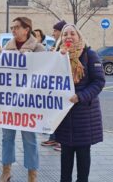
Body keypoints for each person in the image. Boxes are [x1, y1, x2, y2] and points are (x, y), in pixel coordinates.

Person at [55, 23, 105, 182]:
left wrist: (80, 96)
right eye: (65, 34)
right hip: (64, 115)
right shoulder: (56, 56)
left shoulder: (90, 54)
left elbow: (98, 82)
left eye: (72, 33)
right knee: (65, 156)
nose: (68, 36)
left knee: (83, 157)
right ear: (61, 38)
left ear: (79, 36)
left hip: (84, 115)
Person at [0, 17, 44, 182]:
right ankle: (6, 171)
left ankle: (32, 175)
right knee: (6, 138)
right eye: (12, 27)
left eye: (17, 27)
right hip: (9, 103)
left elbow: (45, 72)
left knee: (29, 140)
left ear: (27, 29)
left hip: (28, 104)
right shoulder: (7, 48)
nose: (14, 30)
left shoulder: (38, 48)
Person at [41, 19, 67, 152]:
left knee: (60, 115)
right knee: (54, 114)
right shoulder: (57, 44)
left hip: (61, 86)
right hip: (55, 85)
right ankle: (54, 137)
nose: (53, 33)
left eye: (56, 30)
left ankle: (61, 141)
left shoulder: (65, 44)